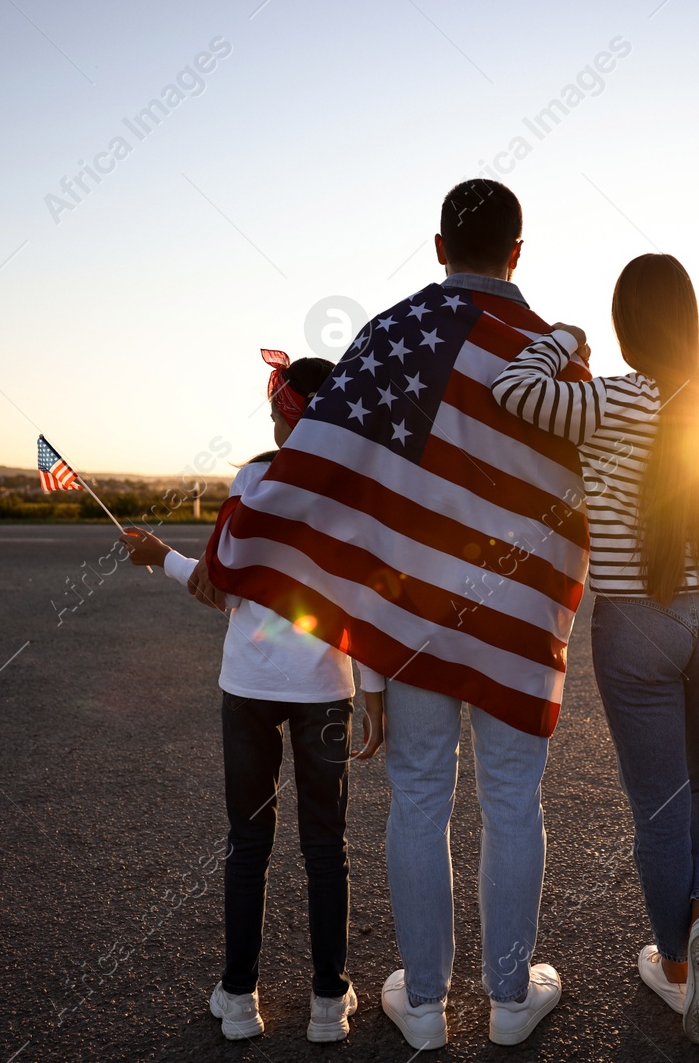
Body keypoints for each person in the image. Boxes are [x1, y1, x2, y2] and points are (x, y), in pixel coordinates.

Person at [188, 180, 587, 1050]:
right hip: (518, 612)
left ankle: (430, 1008)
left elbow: (329, 470)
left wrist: (242, 542)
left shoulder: (392, 335)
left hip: (415, 623)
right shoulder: (555, 353)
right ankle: (513, 998)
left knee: (418, 798)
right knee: (513, 801)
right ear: (518, 253)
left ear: (438, 246)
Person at [491, 253, 699, 1044]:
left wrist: (561, 336)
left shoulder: (603, 402)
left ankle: (676, 968)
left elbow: (513, 391)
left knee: (660, 805)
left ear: (624, 326)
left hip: (637, 622)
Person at [121, 349, 386, 1043]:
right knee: (326, 846)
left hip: (248, 687)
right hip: (327, 688)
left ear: (283, 417)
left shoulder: (252, 479)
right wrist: (376, 688)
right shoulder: (355, 488)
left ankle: (239, 996)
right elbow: (366, 600)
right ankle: (329, 1000)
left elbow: (221, 584)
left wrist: (161, 556)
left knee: (248, 843)